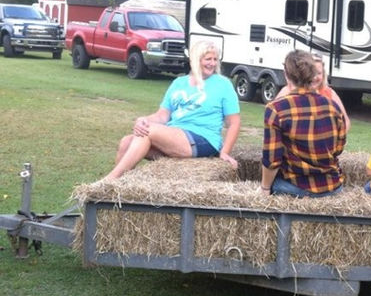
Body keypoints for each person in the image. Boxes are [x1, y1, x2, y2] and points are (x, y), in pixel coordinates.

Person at [104, 40, 240, 180]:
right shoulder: (178, 83)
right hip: (175, 135)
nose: (212, 63)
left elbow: (234, 123)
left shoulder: (223, 85)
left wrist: (225, 152)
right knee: (126, 142)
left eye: (215, 59)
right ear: (195, 60)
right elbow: (162, 116)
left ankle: (109, 181)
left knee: (148, 131)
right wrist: (144, 120)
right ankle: (118, 188)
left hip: (203, 138)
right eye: (208, 59)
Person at [261, 50, 347, 197]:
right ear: (312, 73)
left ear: (286, 74)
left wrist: (264, 188)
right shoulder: (333, 106)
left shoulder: (276, 109)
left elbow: (272, 160)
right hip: (332, 187)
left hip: (295, 188)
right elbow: (339, 148)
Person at [276, 53, 350, 132]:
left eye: (319, 73)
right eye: (312, 73)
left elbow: (345, 121)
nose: (315, 77)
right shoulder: (287, 91)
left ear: (324, 74)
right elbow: (275, 118)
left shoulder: (329, 93)